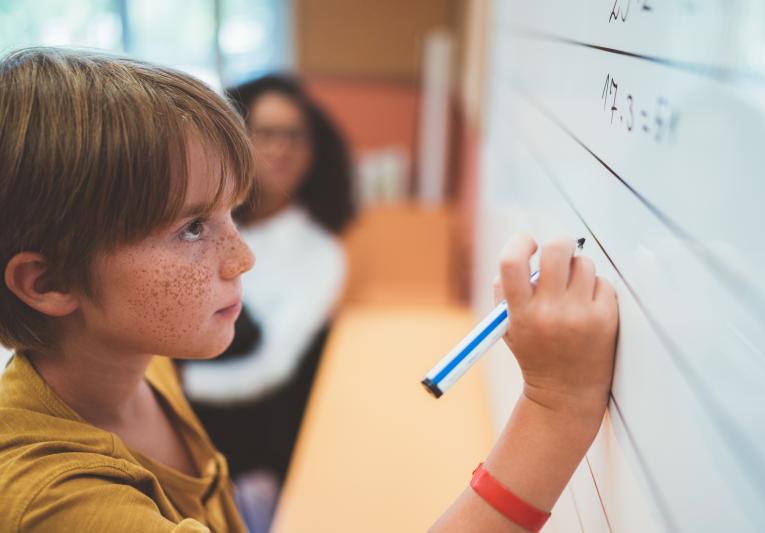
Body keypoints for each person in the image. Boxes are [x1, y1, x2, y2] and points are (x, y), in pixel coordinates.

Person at [0, 48, 618, 533]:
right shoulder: (56, 501)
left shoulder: (142, 368)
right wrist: (554, 409)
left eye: (231, 216)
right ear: (49, 282)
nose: (242, 257)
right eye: (192, 229)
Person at [178, 76, 355, 509]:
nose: (281, 148)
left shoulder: (320, 252)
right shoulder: (193, 217)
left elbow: (272, 367)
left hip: (235, 423)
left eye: (295, 136)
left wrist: (167, 389)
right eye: (267, 133)